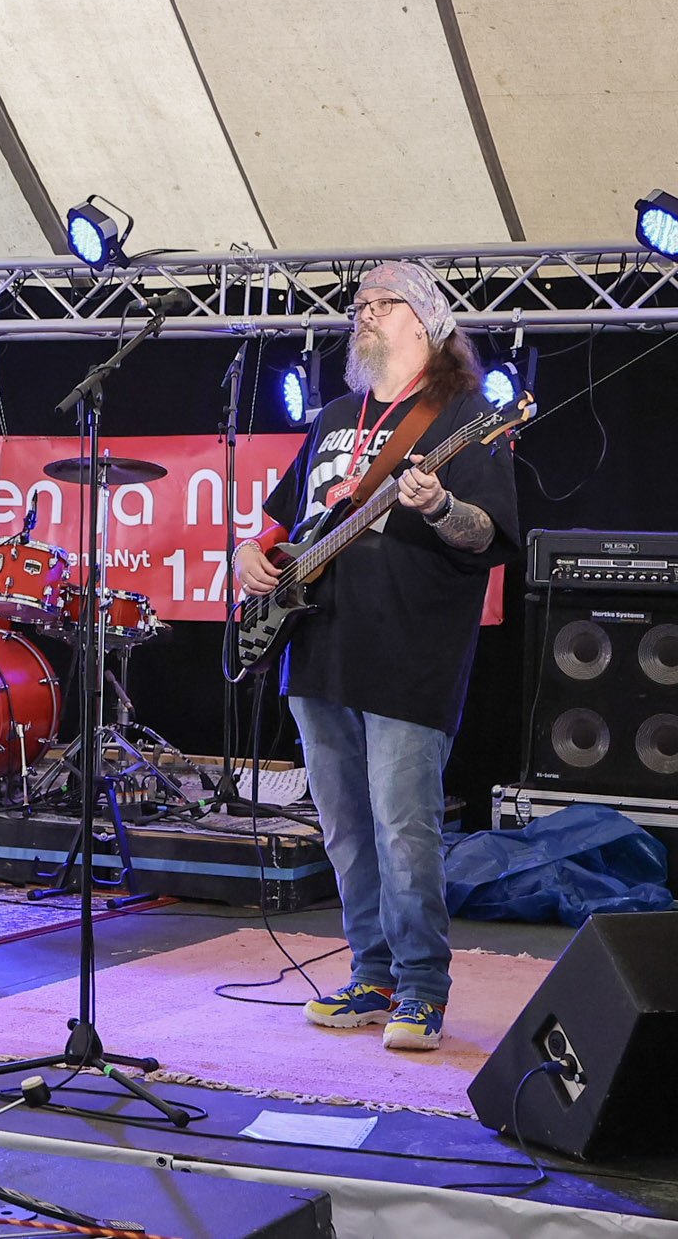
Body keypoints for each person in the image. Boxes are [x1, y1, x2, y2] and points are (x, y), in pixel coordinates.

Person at [238, 261, 517, 1052]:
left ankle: (422, 987)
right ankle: (372, 973)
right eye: (358, 303)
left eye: (381, 304)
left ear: (424, 320)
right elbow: (279, 521)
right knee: (344, 830)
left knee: (404, 829)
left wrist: (442, 504)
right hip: (316, 650)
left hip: (409, 655)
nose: (362, 314)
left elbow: (488, 534)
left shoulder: (465, 415)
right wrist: (249, 554)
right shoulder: (335, 415)